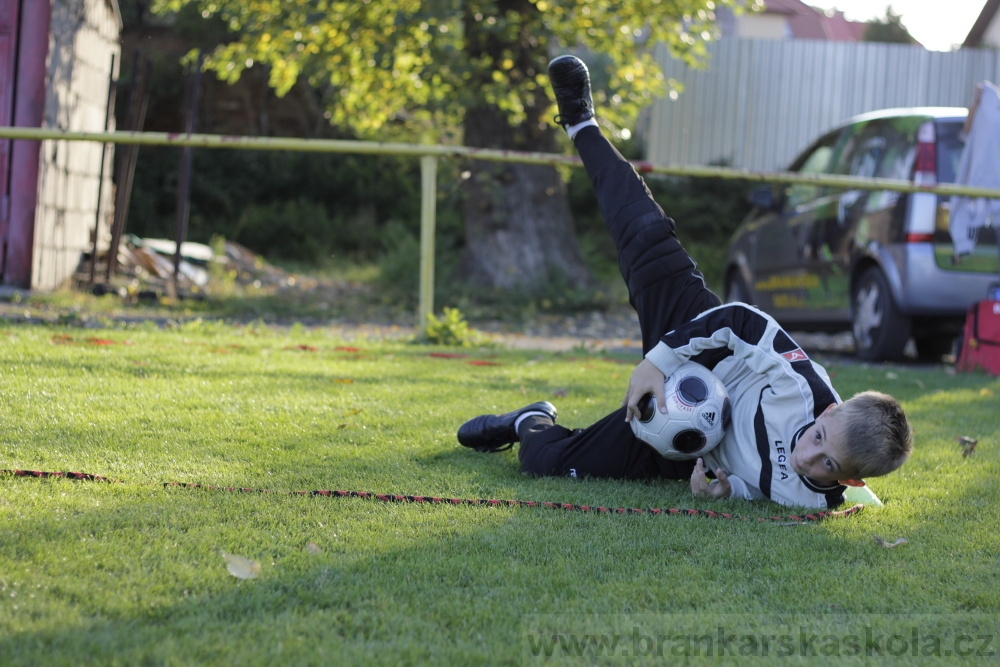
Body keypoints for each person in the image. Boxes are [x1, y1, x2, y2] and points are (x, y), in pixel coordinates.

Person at [457, 55, 913, 509]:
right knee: (645, 236)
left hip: (688, 443)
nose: (806, 456)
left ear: (850, 482)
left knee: (549, 463)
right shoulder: (802, 389)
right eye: (818, 437)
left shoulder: (815, 502)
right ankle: (580, 121)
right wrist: (659, 361)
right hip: (707, 349)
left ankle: (530, 418)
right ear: (828, 413)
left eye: (827, 465)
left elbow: (762, 484)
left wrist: (726, 489)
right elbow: (741, 320)